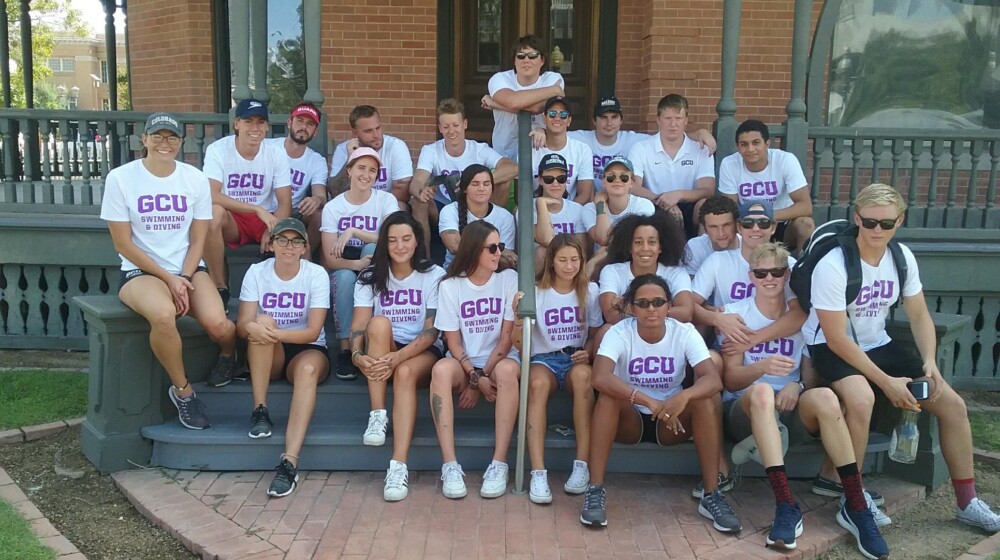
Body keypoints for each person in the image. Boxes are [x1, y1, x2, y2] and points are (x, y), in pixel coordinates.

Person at [802, 183, 1000, 542]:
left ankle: (968, 501)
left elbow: (919, 314)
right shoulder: (833, 265)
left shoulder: (902, 257)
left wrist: (929, 363)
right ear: (857, 218)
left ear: (900, 221)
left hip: (879, 342)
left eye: (887, 223)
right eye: (870, 222)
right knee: (861, 398)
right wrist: (885, 381)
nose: (877, 230)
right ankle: (853, 496)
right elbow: (835, 338)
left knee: (953, 405)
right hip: (834, 347)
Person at [721, 242, 888, 554]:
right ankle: (786, 504)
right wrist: (761, 367)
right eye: (761, 272)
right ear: (751, 276)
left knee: (825, 397)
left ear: (787, 275)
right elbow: (730, 378)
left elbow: (810, 375)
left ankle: (855, 504)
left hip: (790, 408)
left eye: (777, 271)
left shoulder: (804, 317)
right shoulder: (735, 314)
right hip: (745, 411)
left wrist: (797, 385)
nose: (769, 278)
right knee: (760, 393)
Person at [100, 112, 238, 430]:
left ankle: (230, 355)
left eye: (172, 137)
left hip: (188, 267)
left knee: (220, 325)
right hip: (141, 271)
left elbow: (198, 239)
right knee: (163, 314)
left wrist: (185, 278)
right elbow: (123, 244)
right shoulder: (121, 179)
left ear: (180, 143)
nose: (165, 143)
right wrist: (169, 279)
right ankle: (184, 392)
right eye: (158, 136)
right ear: (144, 140)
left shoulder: (194, 179)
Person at [579, 274, 740, 534]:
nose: (651, 309)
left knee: (705, 398)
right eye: (642, 303)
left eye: (658, 302)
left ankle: (712, 495)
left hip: (671, 421)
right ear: (631, 308)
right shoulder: (619, 332)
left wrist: (684, 396)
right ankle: (595, 489)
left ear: (668, 305)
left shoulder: (684, 331)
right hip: (631, 419)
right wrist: (646, 400)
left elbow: (713, 380)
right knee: (608, 397)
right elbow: (600, 377)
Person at [348, 212, 445, 501]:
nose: (400, 246)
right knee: (377, 324)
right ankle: (378, 414)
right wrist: (356, 355)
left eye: (406, 239)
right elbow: (358, 326)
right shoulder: (369, 276)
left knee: (404, 372)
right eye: (392, 240)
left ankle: (398, 465)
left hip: (421, 351)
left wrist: (398, 358)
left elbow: (432, 333)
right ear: (383, 244)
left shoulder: (434, 275)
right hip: (383, 347)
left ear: (417, 242)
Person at [236, 218, 329, 498]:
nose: (289, 247)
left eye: (296, 241)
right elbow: (242, 324)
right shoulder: (256, 272)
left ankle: (289, 462)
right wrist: (257, 327)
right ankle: (260, 410)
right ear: (272, 243)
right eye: (283, 240)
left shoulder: (316, 274)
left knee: (308, 368)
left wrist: (270, 332)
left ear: (304, 247)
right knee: (262, 320)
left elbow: (313, 331)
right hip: (270, 351)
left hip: (306, 348)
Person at [430, 220, 520, 499]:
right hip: (465, 361)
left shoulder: (508, 280)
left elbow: (506, 342)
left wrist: (479, 378)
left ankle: (499, 462)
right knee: (441, 370)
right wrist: (474, 377)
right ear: (472, 250)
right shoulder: (450, 286)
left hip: (499, 359)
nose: (498, 253)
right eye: (492, 248)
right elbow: (453, 343)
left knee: (505, 372)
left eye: (500, 246)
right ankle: (450, 465)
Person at [513, 234, 602, 505]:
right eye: (563, 259)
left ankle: (581, 464)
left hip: (575, 357)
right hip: (545, 359)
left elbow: (595, 331)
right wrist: (518, 318)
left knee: (584, 378)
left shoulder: (591, 290)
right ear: (551, 261)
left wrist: (589, 350)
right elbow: (519, 344)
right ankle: (538, 471)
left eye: (575, 259)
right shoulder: (537, 291)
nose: (569, 266)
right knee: (537, 384)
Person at [203, 98, 292, 317]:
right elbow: (211, 194)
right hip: (234, 218)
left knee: (296, 238)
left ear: (267, 127)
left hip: (266, 219)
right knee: (212, 214)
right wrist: (255, 209)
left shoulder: (275, 153)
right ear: (237, 124)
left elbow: (285, 203)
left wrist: (273, 228)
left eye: (261, 122)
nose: (255, 128)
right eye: (248, 121)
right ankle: (220, 288)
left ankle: (294, 296)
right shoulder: (218, 150)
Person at [320, 147, 399, 380]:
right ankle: (346, 348)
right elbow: (330, 258)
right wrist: (356, 266)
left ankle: (370, 339)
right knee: (344, 278)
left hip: (376, 256)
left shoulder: (386, 200)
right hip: (345, 262)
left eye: (372, 170)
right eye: (361, 168)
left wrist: (354, 231)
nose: (366, 174)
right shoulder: (333, 207)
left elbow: (391, 238)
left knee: (374, 248)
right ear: (349, 170)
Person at [691, 201, 803, 354]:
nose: (756, 228)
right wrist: (717, 318)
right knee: (712, 358)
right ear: (739, 227)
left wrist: (752, 340)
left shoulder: (787, 264)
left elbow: (799, 314)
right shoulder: (717, 261)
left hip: (776, 344)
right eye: (748, 223)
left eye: (763, 223)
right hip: (729, 345)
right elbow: (689, 306)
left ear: (773, 227)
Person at [409, 99, 517, 243]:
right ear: (440, 128)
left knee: (504, 181)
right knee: (418, 201)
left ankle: (490, 237)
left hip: (475, 207)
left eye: (455, 125)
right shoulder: (431, 150)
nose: (451, 131)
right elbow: (417, 181)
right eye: (446, 126)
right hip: (443, 208)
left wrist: (475, 180)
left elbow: (513, 168)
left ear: (464, 124)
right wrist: (421, 191)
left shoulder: (479, 149)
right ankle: (424, 260)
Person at [565, 96, 717, 193]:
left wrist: (698, 134)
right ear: (594, 120)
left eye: (614, 117)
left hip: (619, 195)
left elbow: (669, 134)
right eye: (603, 117)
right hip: (599, 197)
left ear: (621, 120)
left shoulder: (634, 140)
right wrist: (540, 132)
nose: (609, 123)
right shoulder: (580, 138)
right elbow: (556, 135)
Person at [628, 94, 715, 239]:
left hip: (689, 205)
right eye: (667, 118)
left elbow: (708, 190)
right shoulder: (641, 148)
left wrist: (678, 195)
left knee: (706, 206)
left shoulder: (701, 149)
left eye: (678, 118)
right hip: (653, 203)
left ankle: (702, 254)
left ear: (686, 120)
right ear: (658, 120)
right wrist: (663, 201)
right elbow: (633, 187)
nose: (673, 124)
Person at [718, 119, 814, 252]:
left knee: (806, 224)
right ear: (738, 147)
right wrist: (752, 220)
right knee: (725, 223)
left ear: (767, 144)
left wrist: (767, 215)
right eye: (744, 144)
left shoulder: (785, 160)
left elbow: (806, 207)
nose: (750, 149)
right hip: (747, 223)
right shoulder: (729, 164)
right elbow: (730, 207)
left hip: (780, 222)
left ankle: (802, 268)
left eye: (756, 143)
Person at [598, 213, 693, 325]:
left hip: (665, 333)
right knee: (606, 329)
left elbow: (686, 313)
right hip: (626, 333)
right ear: (629, 247)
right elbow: (611, 316)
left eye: (652, 242)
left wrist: (628, 307)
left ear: (660, 247)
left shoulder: (676, 273)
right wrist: (661, 311)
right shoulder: (612, 271)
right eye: (638, 242)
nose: (645, 248)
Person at [482, 34, 564, 162]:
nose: (526, 60)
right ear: (514, 60)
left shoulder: (552, 79)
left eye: (532, 56)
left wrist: (496, 104)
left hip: (541, 155)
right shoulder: (499, 78)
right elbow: (514, 102)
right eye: (520, 56)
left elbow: (537, 107)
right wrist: (553, 90)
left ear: (542, 60)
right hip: (504, 154)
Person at [263, 102, 328, 251]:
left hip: (295, 212)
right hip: (263, 209)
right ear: (290, 122)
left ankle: (303, 256)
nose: (304, 127)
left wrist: (316, 200)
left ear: (315, 131)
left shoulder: (316, 160)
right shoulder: (267, 147)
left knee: (321, 215)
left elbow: (321, 195)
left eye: (310, 124)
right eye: (300, 121)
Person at [581, 156, 654, 276]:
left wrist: (595, 260)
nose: (617, 180)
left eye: (624, 177)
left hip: (632, 257)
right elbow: (603, 238)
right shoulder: (589, 209)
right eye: (611, 177)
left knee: (602, 252)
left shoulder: (644, 205)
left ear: (632, 183)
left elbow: (629, 241)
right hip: (604, 263)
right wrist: (601, 203)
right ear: (604, 181)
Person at [328, 105, 413, 206]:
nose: (376, 135)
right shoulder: (343, 150)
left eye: (378, 128)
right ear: (355, 133)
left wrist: (370, 207)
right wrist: (350, 160)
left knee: (400, 206)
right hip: (354, 206)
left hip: (384, 204)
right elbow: (335, 192)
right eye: (368, 131)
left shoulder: (396, 146)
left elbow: (403, 192)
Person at [438, 164, 516, 269]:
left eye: (486, 184)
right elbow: (454, 246)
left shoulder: (505, 217)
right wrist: (493, 248)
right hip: (457, 271)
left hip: (493, 273)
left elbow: (507, 260)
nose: (481, 188)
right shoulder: (450, 210)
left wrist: (470, 249)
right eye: (475, 184)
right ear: (464, 188)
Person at [528, 153, 588, 270]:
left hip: (569, 265)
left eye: (561, 179)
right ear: (540, 180)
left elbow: (582, 250)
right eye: (549, 179)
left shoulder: (577, 209)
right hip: (542, 269)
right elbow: (545, 240)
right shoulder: (526, 208)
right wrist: (541, 204)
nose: (556, 184)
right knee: (542, 252)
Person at [529, 96, 595, 204]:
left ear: (569, 120)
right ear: (544, 118)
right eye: (552, 114)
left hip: (570, 210)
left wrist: (565, 213)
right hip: (537, 209)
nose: (557, 118)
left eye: (563, 115)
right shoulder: (529, 149)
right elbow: (520, 194)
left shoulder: (582, 149)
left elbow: (585, 195)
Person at [683, 195, 741, 277]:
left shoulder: (748, 246)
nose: (721, 233)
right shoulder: (695, 247)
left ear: (737, 225)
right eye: (713, 227)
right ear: (705, 229)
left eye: (726, 225)